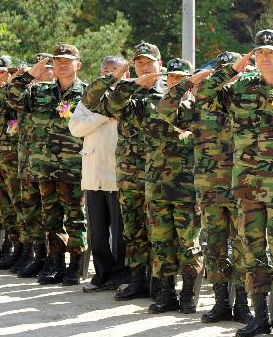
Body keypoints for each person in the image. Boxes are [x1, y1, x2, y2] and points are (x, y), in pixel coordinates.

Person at [194, 29, 273, 337]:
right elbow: (203, 93)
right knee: (252, 253)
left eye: (271, 53)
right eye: (259, 53)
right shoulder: (240, 89)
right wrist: (234, 68)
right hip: (247, 189)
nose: (264, 58)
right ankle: (259, 315)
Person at [91, 56, 202, 314]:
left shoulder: (199, 106)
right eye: (172, 78)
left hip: (186, 186)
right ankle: (163, 291)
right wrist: (126, 80)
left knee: (188, 242)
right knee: (156, 239)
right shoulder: (150, 102)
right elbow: (108, 104)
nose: (176, 82)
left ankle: (187, 294)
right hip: (153, 182)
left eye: (181, 78)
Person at [158, 52, 252, 324]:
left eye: (232, 71)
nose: (228, 77)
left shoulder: (247, 103)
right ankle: (221, 302)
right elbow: (165, 109)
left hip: (241, 190)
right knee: (215, 248)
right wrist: (188, 83)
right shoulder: (201, 106)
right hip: (210, 190)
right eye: (224, 71)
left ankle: (243, 303)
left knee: (243, 247)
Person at [83, 43, 159, 301]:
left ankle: (163, 285)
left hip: (164, 176)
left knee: (160, 232)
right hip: (129, 174)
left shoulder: (172, 92)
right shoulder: (124, 97)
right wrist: (117, 77)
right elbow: (91, 101)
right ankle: (137, 281)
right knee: (134, 231)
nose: (145, 67)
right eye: (139, 63)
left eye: (149, 62)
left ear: (159, 63)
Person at [7, 45, 88, 286]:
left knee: (75, 217)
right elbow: (13, 97)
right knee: (51, 217)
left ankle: (76, 264)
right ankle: (55, 262)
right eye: (58, 60)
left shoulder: (86, 93)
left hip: (73, 167)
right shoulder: (40, 91)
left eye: (67, 60)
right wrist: (30, 74)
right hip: (44, 167)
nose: (62, 64)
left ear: (78, 65)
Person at [68, 56, 126, 289]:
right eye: (105, 71)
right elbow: (75, 127)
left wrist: (100, 116)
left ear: (125, 73)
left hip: (117, 173)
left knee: (121, 231)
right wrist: (103, 114)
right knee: (98, 232)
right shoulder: (90, 97)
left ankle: (122, 275)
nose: (109, 75)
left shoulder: (128, 95)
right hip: (93, 173)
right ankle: (102, 274)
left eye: (114, 70)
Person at [7, 54, 52, 277]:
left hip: (51, 165)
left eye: (43, 68)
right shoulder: (28, 95)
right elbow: (10, 95)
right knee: (29, 211)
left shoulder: (58, 94)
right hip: (26, 161)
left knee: (51, 214)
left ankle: (52, 259)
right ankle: (33, 254)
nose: (38, 73)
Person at [0, 56, 23, 270]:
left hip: (10, 157)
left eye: (2, 72)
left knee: (13, 205)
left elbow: (13, 124)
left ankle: (13, 246)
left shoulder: (12, 96)